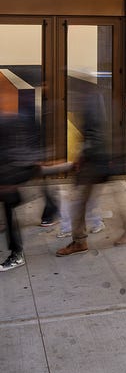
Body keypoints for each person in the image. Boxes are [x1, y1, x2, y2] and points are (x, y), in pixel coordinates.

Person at [56, 88, 126, 255]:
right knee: (108, 198)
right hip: (102, 160)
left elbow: (94, 136)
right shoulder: (100, 102)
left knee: (79, 203)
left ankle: (80, 241)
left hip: (96, 163)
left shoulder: (91, 105)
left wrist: (82, 157)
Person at [0, 111, 39, 272]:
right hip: (10, 175)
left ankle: (17, 254)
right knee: (9, 212)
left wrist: (10, 180)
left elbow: (10, 150)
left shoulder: (7, 121)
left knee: (10, 212)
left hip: (10, 176)